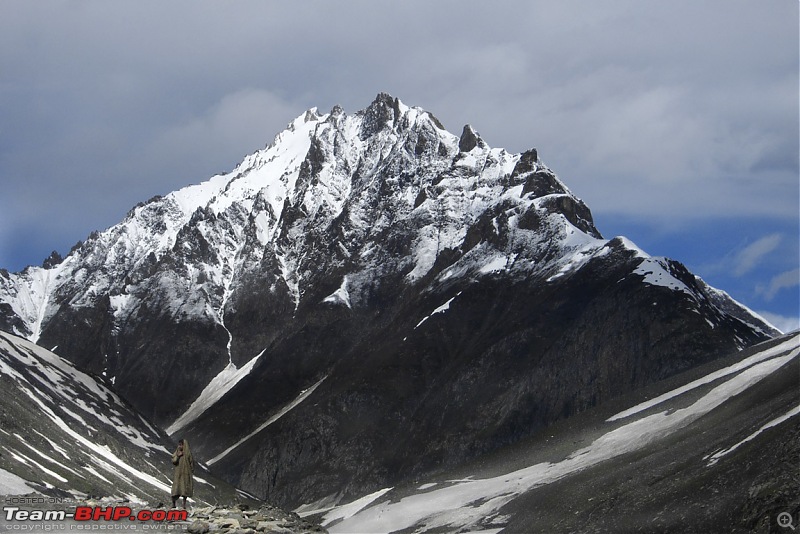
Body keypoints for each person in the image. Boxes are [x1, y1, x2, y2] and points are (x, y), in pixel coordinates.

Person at [171, 438, 194, 509]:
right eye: (179, 445)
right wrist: (178, 456)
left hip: (186, 474)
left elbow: (191, 463)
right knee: (175, 489)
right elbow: (174, 461)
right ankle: (173, 504)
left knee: (185, 490)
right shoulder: (177, 452)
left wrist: (190, 471)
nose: (180, 446)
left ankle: (183, 505)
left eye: (181, 445)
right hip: (178, 474)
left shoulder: (188, 453)